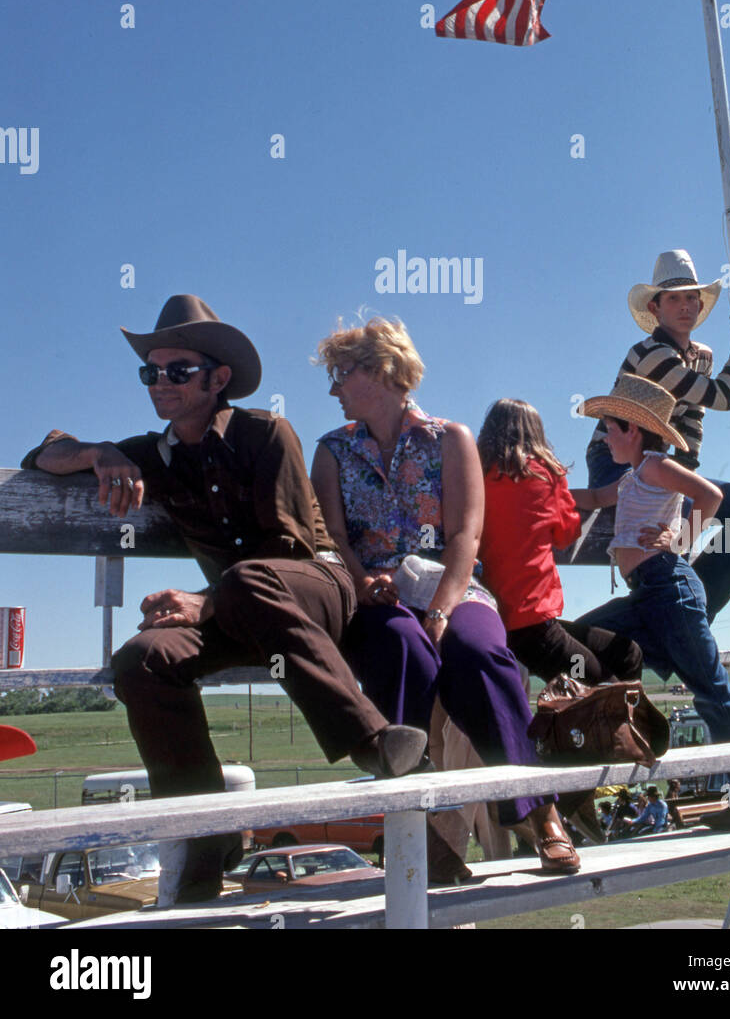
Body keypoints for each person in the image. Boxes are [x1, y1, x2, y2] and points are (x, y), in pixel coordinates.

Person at [22, 295, 427, 902]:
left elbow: (287, 552)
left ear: (218, 379)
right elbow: (44, 451)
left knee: (243, 581)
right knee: (143, 658)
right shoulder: (153, 455)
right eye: (150, 371)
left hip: (315, 586)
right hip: (233, 605)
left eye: (178, 370)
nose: (161, 382)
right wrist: (98, 453)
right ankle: (207, 838)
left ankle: (374, 743)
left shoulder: (266, 432)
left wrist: (201, 601)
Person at [310, 316, 580, 875]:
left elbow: (464, 536)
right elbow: (333, 538)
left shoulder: (450, 440)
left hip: (451, 585)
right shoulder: (331, 452)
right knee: (400, 648)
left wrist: (442, 608)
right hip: (378, 596)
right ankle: (416, 825)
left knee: (482, 654)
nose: (333, 388)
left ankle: (539, 810)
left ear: (382, 370)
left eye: (341, 373)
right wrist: (363, 581)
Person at [571, 373, 730, 830]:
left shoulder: (653, 465)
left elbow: (709, 496)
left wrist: (680, 538)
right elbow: (591, 497)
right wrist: (538, 491)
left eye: (609, 428)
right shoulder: (631, 479)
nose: (605, 438)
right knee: (575, 642)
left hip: (670, 590)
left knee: (710, 690)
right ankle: (595, 766)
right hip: (648, 596)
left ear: (632, 430)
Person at [585, 250, 730, 620]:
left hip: (659, 467)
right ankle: (673, 611)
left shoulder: (701, 356)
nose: (685, 305)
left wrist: (679, 494)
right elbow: (722, 397)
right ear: (656, 308)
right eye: (674, 298)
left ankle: (693, 611)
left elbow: (691, 426)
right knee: (661, 540)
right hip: (616, 465)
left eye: (692, 297)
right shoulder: (648, 353)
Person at [476, 398, 643, 686]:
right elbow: (566, 534)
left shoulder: (475, 480)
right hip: (533, 625)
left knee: (625, 653)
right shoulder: (545, 474)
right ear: (535, 434)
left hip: (493, 619)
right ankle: (607, 726)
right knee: (606, 688)